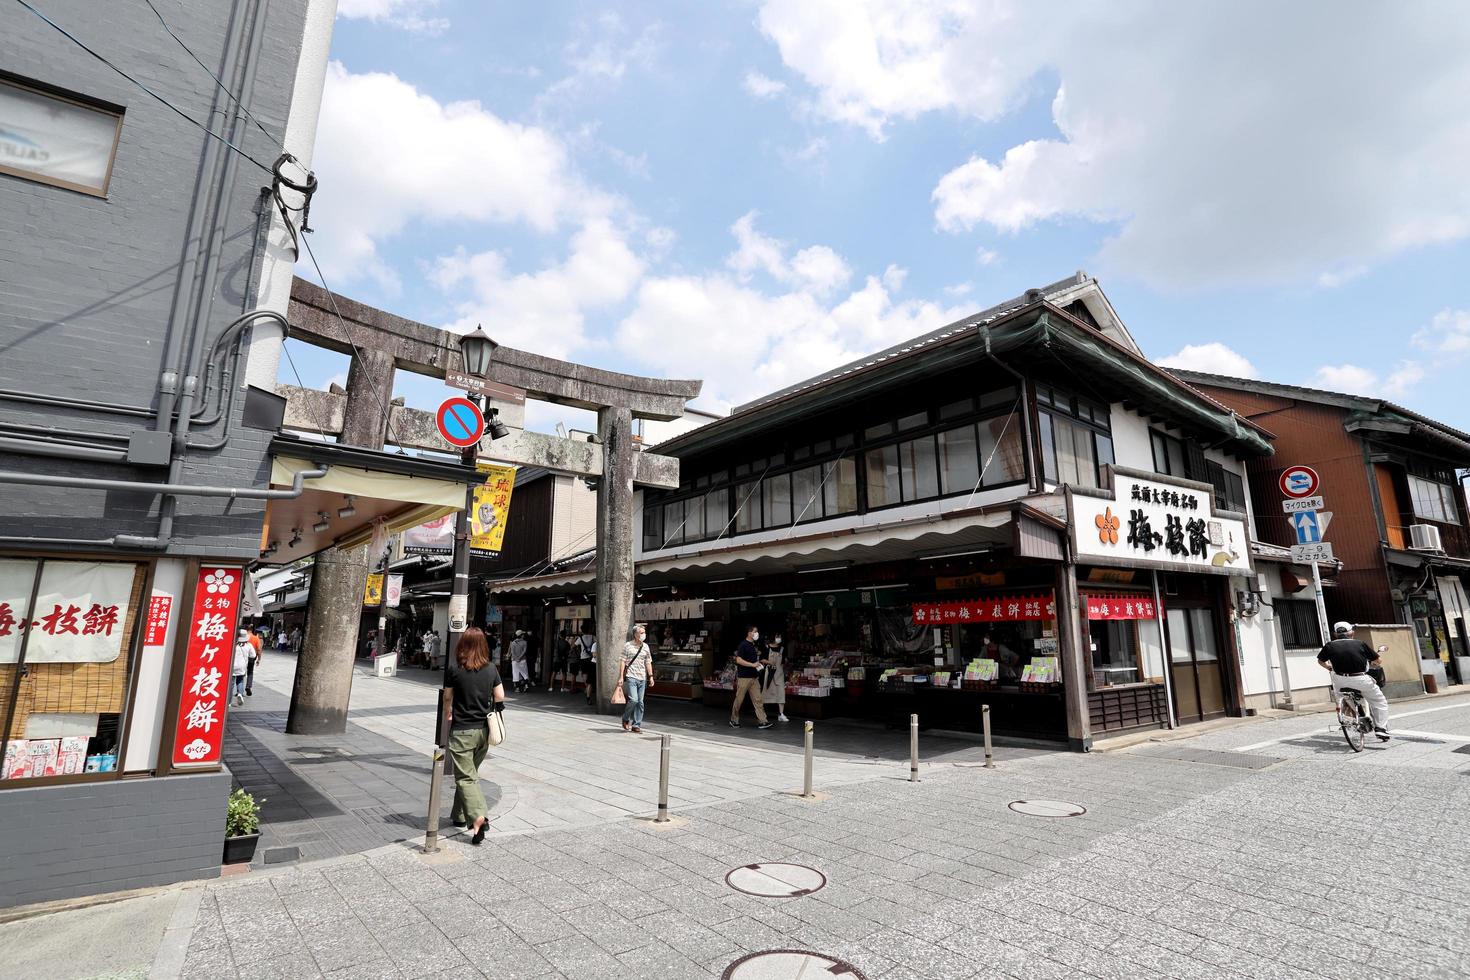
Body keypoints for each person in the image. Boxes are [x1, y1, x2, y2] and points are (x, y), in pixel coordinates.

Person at [446, 626, 505, 846]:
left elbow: (447, 698)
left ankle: (478, 818)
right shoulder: (491, 669)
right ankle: (459, 815)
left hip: (462, 730)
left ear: (463, 645)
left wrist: (448, 712)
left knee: (465, 777)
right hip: (483, 731)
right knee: (469, 773)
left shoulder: (455, 669)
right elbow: (500, 695)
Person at [1318, 622, 1390, 741]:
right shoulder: (1360, 644)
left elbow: (1320, 661)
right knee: (1379, 702)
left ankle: (1354, 716)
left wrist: (1329, 668)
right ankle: (1381, 729)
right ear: (1352, 633)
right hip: (1360, 679)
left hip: (1340, 680)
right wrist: (1374, 662)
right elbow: (1378, 660)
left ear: (1335, 634)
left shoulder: (1329, 645)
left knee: (1342, 697)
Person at [730, 626, 773, 729]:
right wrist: (752, 665)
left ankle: (763, 721)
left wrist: (757, 664)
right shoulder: (743, 645)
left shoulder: (753, 645)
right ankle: (733, 719)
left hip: (754, 677)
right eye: (755, 631)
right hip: (744, 677)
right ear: (749, 633)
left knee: (758, 699)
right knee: (739, 699)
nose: (756, 633)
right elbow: (738, 660)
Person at [620, 624, 655, 733]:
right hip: (631, 676)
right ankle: (625, 718)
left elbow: (648, 662)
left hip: (642, 677)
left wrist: (651, 676)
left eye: (644, 632)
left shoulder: (646, 647)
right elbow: (622, 661)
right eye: (641, 633)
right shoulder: (628, 645)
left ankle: (636, 725)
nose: (643, 635)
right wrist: (621, 676)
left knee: (640, 702)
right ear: (635, 634)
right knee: (633, 700)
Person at [765, 632, 789, 723]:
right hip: (769, 672)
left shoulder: (782, 649)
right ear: (773, 637)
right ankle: (762, 713)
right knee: (766, 691)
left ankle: (781, 714)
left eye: (780, 636)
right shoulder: (767, 647)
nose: (779, 638)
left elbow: (782, 663)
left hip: (779, 673)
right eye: (777, 636)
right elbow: (763, 659)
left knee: (781, 692)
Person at [231, 629, 252, 706]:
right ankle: (240, 693)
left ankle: (229, 701)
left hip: (233, 666)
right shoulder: (248, 645)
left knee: (231, 683)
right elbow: (252, 655)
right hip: (242, 666)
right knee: (240, 681)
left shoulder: (234, 645)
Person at [578, 627, 597, 704]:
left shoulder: (580, 638)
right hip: (592, 662)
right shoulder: (594, 641)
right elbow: (594, 655)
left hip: (583, 658)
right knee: (590, 680)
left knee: (586, 675)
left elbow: (573, 645)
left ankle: (587, 691)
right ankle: (588, 696)